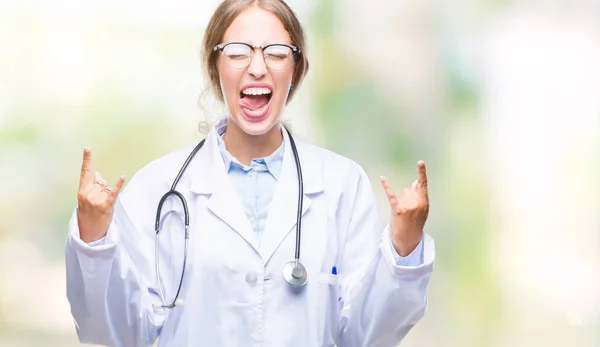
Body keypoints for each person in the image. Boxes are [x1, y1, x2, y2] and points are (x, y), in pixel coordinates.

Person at [65, 1, 435, 346]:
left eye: (275, 53)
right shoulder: (157, 188)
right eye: (238, 52)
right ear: (215, 68)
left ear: (296, 70)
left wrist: (404, 246)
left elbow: (365, 334)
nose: (257, 67)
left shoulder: (342, 185)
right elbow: (112, 334)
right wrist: (94, 238)